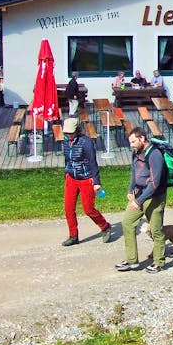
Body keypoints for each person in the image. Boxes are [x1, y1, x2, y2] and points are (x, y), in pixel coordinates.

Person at [117, 127, 167, 273]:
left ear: (142, 138)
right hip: (139, 194)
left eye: (133, 142)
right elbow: (134, 171)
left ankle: (159, 262)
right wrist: (130, 189)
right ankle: (132, 260)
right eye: (130, 142)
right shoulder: (136, 152)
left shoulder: (155, 154)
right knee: (127, 222)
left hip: (154, 197)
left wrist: (139, 201)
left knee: (156, 230)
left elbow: (155, 183)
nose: (131, 145)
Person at [60, 117, 111, 246]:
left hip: (86, 178)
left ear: (77, 130)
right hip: (71, 178)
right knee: (68, 208)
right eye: (66, 133)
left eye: (71, 133)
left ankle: (105, 226)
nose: (68, 136)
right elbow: (67, 159)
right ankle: (73, 236)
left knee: (88, 209)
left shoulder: (86, 142)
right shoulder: (65, 142)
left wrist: (96, 182)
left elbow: (93, 162)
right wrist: (66, 173)